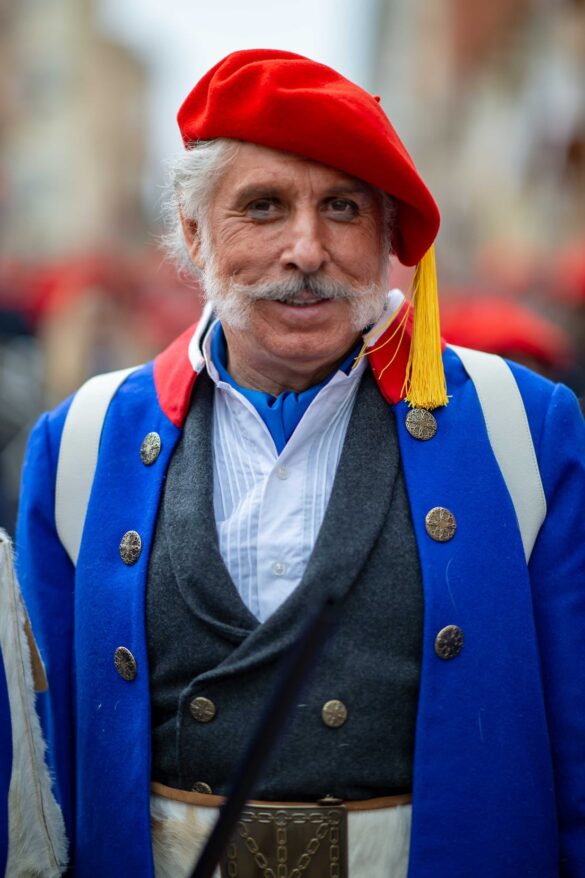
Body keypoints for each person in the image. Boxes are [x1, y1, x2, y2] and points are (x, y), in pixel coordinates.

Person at [5, 49, 585, 877]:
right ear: (195, 230)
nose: (306, 249)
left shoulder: (520, 427)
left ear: (385, 234)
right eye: (264, 207)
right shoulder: (82, 442)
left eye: (342, 207)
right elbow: (44, 774)